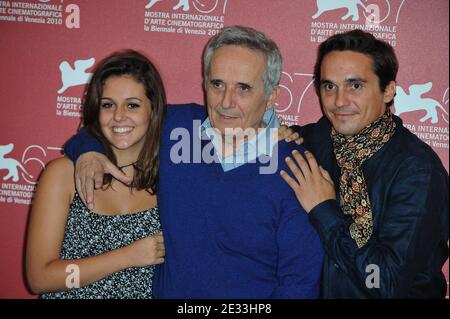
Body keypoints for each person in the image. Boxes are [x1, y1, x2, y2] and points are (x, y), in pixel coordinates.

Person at [63, 26, 324, 298]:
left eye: (243, 88)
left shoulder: (297, 169)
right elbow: (116, 128)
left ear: (271, 96)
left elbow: (300, 282)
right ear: (204, 84)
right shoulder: (177, 128)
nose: (226, 102)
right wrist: (89, 151)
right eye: (217, 84)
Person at [280, 29, 449, 298]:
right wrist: (275, 136)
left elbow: (385, 283)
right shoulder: (315, 140)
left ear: (388, 91)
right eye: (329, 86)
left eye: (355, 85)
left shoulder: (417, 170)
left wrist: (324, 209)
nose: (339, 101)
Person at [26, 50, 166, 299]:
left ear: (153, 110)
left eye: (132, 105)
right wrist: (127, 257)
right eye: (108, 105)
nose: (119, 116)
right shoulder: (62, 175)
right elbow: (40, 279)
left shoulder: (172, 176)